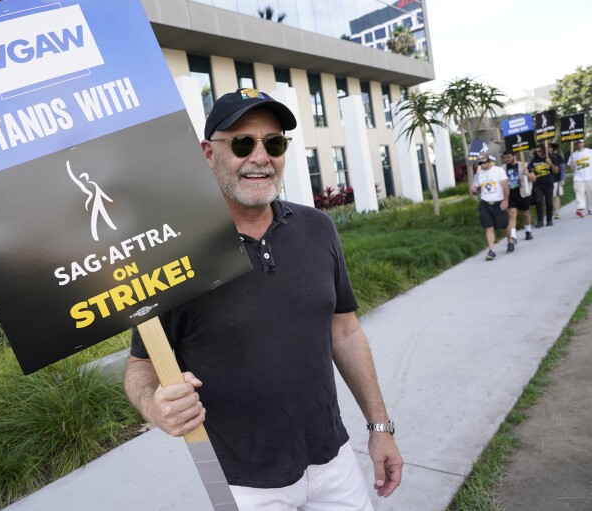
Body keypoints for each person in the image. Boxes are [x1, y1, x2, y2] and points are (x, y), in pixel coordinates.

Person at [124, 88, 402, 510]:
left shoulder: (317, 229)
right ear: (207, 153)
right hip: (242, 484)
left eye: (273, 143)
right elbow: (140, 369)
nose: (260, 157)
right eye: (241, 143)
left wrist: (380, 426)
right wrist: (155, 406)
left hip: (334, 459)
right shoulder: (174, 256)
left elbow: (344, 333)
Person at [471, 153, 509, 260]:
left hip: (498, 202)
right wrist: (474, 190)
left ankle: (510, 240)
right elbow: (477, 190)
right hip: (485, 203)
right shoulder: (478, 175)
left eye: (484, 162)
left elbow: (505, 187)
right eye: (480, 163)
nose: (483, 165)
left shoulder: (498, 171)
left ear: (489, 161)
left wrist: (505, 200)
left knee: (504, 225)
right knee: (488, 227)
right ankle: (491, 250)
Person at [502, 150, 535, 246]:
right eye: (505, 158)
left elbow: (534, 178)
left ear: (514, 156)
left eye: (508, 157)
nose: (506, 159)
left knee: (525, 214)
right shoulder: (502, 168)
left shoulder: (524, 165)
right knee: (512, 214)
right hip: (510, 194)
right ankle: (513, 236)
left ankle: (528, 231)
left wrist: (527, 174)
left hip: (523, 193)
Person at [527, 144, 560, 227]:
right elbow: (530, 171)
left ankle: (549, 219)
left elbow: (556, 171)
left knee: (549, 202)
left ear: (543, 150)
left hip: (548, 183)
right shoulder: (533, 161)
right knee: (538, 202)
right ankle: (540, 221)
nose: (538, 153)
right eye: (536, 151)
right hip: (538, 184)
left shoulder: (552, 158)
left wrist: (550, 163)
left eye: (540, 151)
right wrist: (528, 172)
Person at [566, 139, 592, 217]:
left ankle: (590, 209)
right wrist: (571, 165)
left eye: (580, 142)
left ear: (583, 143)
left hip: (589, 176)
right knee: (579, 193)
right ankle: (581, 209)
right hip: (578, 178)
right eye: (576, 143)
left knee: (590, 194)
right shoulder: (573, 155)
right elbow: (570, 167)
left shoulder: (590, 152)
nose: (578, 144)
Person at [548, 143, 566, 219]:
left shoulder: (558, 157)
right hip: (547, 180)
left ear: (553, 148)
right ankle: (551, 211)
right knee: (549, 197)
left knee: (556, 195)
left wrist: (563, 179)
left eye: (549, 147)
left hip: (556, 179)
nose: (548, 149)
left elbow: (562, 168)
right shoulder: (543, 157)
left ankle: (557, 212)